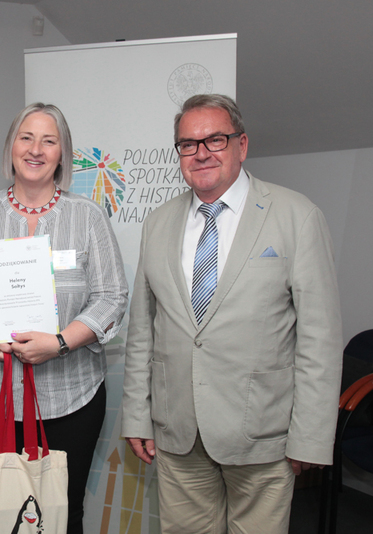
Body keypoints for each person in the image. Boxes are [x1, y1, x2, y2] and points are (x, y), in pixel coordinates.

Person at [121, 94, 343, 533]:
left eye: (215, 140)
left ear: (242, 144)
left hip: (262, 433)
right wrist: (136, 415)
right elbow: (142, 330)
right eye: (188, 144)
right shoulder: (158, 223)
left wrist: (311, 437)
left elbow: (320, 338)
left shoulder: (297, 216)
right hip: (178, 432)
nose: (201, 153)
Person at [0, 103, 128, 534]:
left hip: (70, 397)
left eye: (49, 140)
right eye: (26, 138)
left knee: (62, 512)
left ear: (63, 153)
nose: (36, 149)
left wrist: (59, 343)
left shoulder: (88, 217)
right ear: (11, 146)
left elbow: (112, 297)